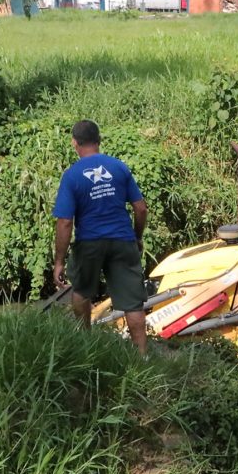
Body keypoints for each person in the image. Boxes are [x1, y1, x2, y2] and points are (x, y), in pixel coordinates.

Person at [52, 120, 149, 356]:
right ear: (99, 140)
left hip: (90, 243)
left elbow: (65, 222)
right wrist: (136, 237)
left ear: (74, 142)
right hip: (122, 240)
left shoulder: (72, 175)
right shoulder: (118, 167)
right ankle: (142, 358)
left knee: (81, 291)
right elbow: (141, 208)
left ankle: (85, 345)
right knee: (132, 303)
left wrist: (59, 261)